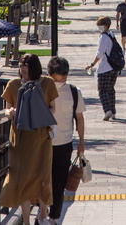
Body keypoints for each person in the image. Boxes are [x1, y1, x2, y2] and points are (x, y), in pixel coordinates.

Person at [0, 54, 59, 224]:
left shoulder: (47, 83)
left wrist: (41, 111)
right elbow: (7, 109)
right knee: (22, 178)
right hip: (21, 138)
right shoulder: (13, 85)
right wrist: (10, 112)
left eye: (26, 72)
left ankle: (42, 215)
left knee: (43, 176)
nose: (23, 75)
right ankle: (26, 220)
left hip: (41, 137)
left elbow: (53, 108)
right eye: (21, 71)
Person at [46, 57, 85, 224]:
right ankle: (43, 209)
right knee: (43, 179)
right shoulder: (42, 90)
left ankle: (54, 216)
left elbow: (79, 118)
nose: (61, 81)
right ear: (49, 74)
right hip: (43, 142)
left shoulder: (74, 91)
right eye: (57, 78)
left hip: (64, 143)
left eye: (64, 77)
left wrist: (81, 142)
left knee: (59, 181)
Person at [85, 16, 119, 120]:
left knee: (102, 90)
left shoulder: (103, 37)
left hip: (105, 67)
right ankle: (113, 111)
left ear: (105, 25)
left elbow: (100, 53)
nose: (99, 27)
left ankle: (107, 110)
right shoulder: (111, 35)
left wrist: (92, 64)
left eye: (100, 25)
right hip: (114, 67)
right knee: (110, 89)